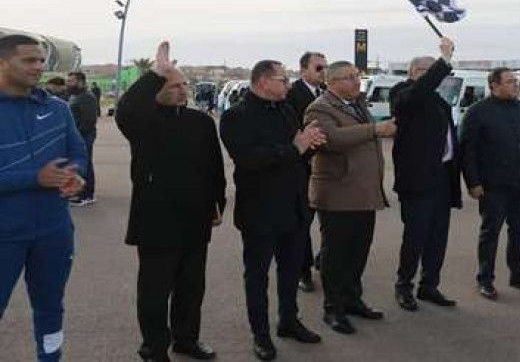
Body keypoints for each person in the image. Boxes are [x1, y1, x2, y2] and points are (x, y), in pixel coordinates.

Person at [116, 42, 226, 362]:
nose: (181, 90)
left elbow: (214, 168)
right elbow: (126, 109)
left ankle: (186, 339)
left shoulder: (200, 122)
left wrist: (217, 203)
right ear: (157, 89)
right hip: (156, 220)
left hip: (196, 218)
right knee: (154, 291)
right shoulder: (143, 121)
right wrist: (155, 73)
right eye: (173, 85)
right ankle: (154, 346)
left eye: (184, 85)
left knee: (192, 288)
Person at [220, 60, 326, 361]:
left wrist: (312, 144)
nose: (288, 85)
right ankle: (261, 335)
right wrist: (296, 148)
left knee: (291, 270)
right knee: (257, 276)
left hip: (294, 206)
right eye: (283, 80)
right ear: (264, 82)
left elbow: (298, 151)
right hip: (260, 211)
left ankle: (289, 321)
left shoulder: (286, 109)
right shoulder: (235, 116)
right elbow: (249, 159)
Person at [0, 34, 86, 362]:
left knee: (51, 307)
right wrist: (34, 178)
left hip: (54, 230)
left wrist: (75, 175)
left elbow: (76, 151)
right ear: (3, 64)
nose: (39, 66)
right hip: (4, 234)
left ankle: (50, 357)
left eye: (41, 60)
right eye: (29, 60)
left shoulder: (58, 108)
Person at [304, 61, 396, 335]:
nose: (357, 82)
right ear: (333, 82)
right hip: (338, 193)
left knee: (358, 250)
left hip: (363, 193)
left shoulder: (356, 104)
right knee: (336, 255)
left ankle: (352, 299)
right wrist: (375, 130)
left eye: (358, 77)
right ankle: (333, 308)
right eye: (350, 78)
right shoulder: (319, 107)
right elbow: (330, 139)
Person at [460, 67, 520, 300]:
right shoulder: (477, 112)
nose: (515, 85)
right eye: (509, 82)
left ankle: (518, 275)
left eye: (516, 82)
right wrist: (473, 182)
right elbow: (468, 151)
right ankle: (485, 279)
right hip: (492, 185)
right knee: (490, 233)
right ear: (494, 85)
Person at [390, 38, 462, 312]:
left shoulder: (438, 101)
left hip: (442, 177)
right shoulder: (403, 93)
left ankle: (429, 285)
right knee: (416, 236)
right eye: (429, 70)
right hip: (417, 180)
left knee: (437, 236)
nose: (437, 76)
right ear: (414, 73)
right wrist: (443, 61)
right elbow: (416, 94)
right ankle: (404, 285)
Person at [284, 51, 327, 293]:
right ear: (303, 70)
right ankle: (303, 271)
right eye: (319, 67)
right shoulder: (292, 95)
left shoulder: (328, 93)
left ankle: (323, 259)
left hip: (329, 170)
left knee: (329, 221)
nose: (324, 72)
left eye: (325, 67)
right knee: (303, 223)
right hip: (304, 168)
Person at [66, 71, 98, 206]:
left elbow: (89, 120)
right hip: (77, 136)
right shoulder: (75, 96)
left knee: (86, 165)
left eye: (71, 81)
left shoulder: (87, 97)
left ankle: (87, 195)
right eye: (68, 80)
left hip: (84, 136)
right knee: (78, 165)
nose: (68, 83)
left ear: (80, 82)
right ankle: (79, 192)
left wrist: (77, 136)